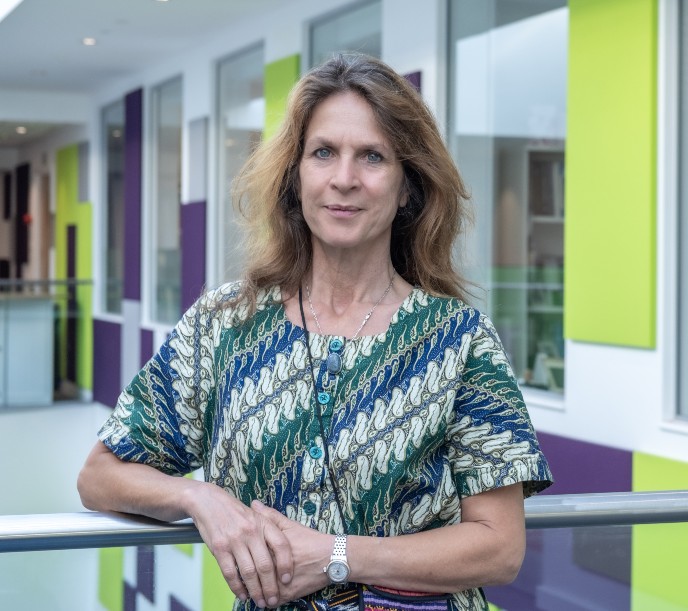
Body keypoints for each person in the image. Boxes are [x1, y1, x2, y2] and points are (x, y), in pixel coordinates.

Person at [78, 53, 553, 611]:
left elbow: (500, 550)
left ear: (407, 189)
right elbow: (100, 476)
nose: (344, 179)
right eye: (323, 152)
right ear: (295, 176)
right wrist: (198, 496)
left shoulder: (459, 338)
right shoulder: (224, 325)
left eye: (373, 157)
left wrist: (334, 555)